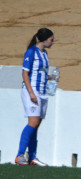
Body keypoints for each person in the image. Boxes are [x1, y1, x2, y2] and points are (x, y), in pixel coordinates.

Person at [15, 28, 54, 166]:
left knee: (36, 125)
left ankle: (32, 157)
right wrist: (31, 93)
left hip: (43, 91)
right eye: (51, 39)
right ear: (44, 39)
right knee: (33, 122)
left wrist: (50, 77)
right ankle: (19, 155)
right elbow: (25, 73)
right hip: (33, 91)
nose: (52, 42)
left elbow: (40, 71)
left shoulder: (45, 53)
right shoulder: (31, 52)